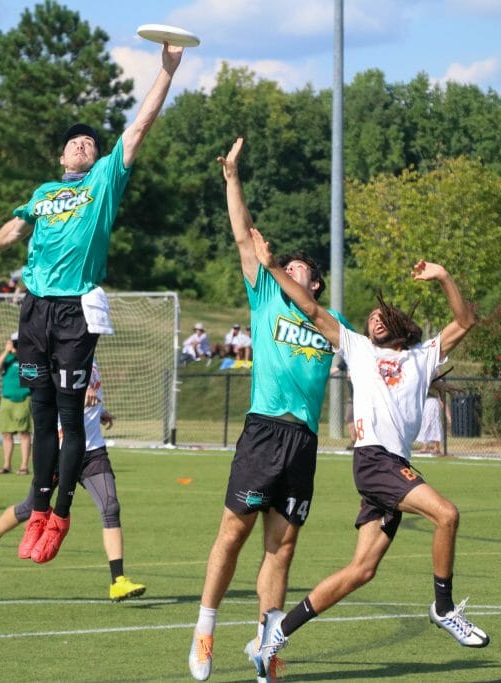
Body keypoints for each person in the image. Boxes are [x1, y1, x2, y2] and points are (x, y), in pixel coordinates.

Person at [0, 42, 185, 565]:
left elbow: (138, 128)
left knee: (67, 415)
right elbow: (18, 225)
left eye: (90, 141)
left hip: (73, 311)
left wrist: (166, 71)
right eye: (76, 143)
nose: (84, 144)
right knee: (41, 416)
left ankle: (60, 515)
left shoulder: (104, 180)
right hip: (34, 308)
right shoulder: (43, 192)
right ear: (61, 157)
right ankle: (37, 509)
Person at [248, 228, 488, 682]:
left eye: (381, 316)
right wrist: (272, 265)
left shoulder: (421, 357)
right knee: (447, 515)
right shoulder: (357, 349)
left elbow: (465, 321)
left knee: (361, 570)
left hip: (394, 465)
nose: (373, 320)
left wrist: (443, 276)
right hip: (375, 462)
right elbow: (310, 307)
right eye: (371, 316)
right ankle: (443, 607)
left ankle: (278, 632)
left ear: (401, 325)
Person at [188, 137, 353, 682]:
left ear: (316, 281)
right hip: (263, 431)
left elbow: (371, 368)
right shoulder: (266, 294)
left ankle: (267, 646)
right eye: (288, 263)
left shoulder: (331, 324)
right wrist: (232, 177)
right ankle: (205, 629)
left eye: (299, 266)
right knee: (232, 533)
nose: (290, 268)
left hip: (302, 442)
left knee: (281, 549)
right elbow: (242, 234)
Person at [0, 360, 146, 601]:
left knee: (110, 506)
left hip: (92, 451)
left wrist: (99, 412)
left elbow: (89, 393)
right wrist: (77, 397)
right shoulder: (56, 361)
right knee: (30, 507)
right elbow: (49, 402)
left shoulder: (90, 358)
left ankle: (118, 581)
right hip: (60, 451)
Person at [0, 332, 32, 475]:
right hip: (7, 399)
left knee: (24, 433)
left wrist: (22, 354)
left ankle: (23, 466)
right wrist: (6, 352)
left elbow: (31, 376)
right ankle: (6, 465)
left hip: (23, 398)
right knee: (6, 434)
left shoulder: (28, 358)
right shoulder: (7, 358)